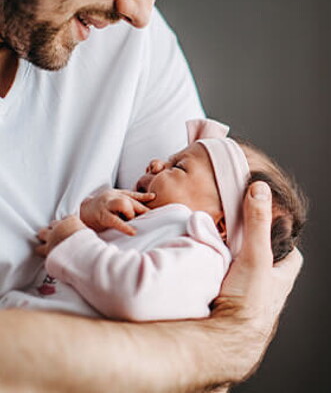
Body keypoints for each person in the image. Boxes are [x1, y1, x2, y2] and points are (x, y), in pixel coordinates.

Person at [0, 0, 303, 391]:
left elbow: (192, 362)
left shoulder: (133, 48)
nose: (141, 11)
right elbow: (212, 338)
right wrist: (226, 343)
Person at [1, 118, 308, 321]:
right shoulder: (157, 226)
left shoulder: (203, 256)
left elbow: (136, 293)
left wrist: (73, 241)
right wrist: (89, 217)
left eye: (179, 167)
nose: (156, 163)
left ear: (220, 225)